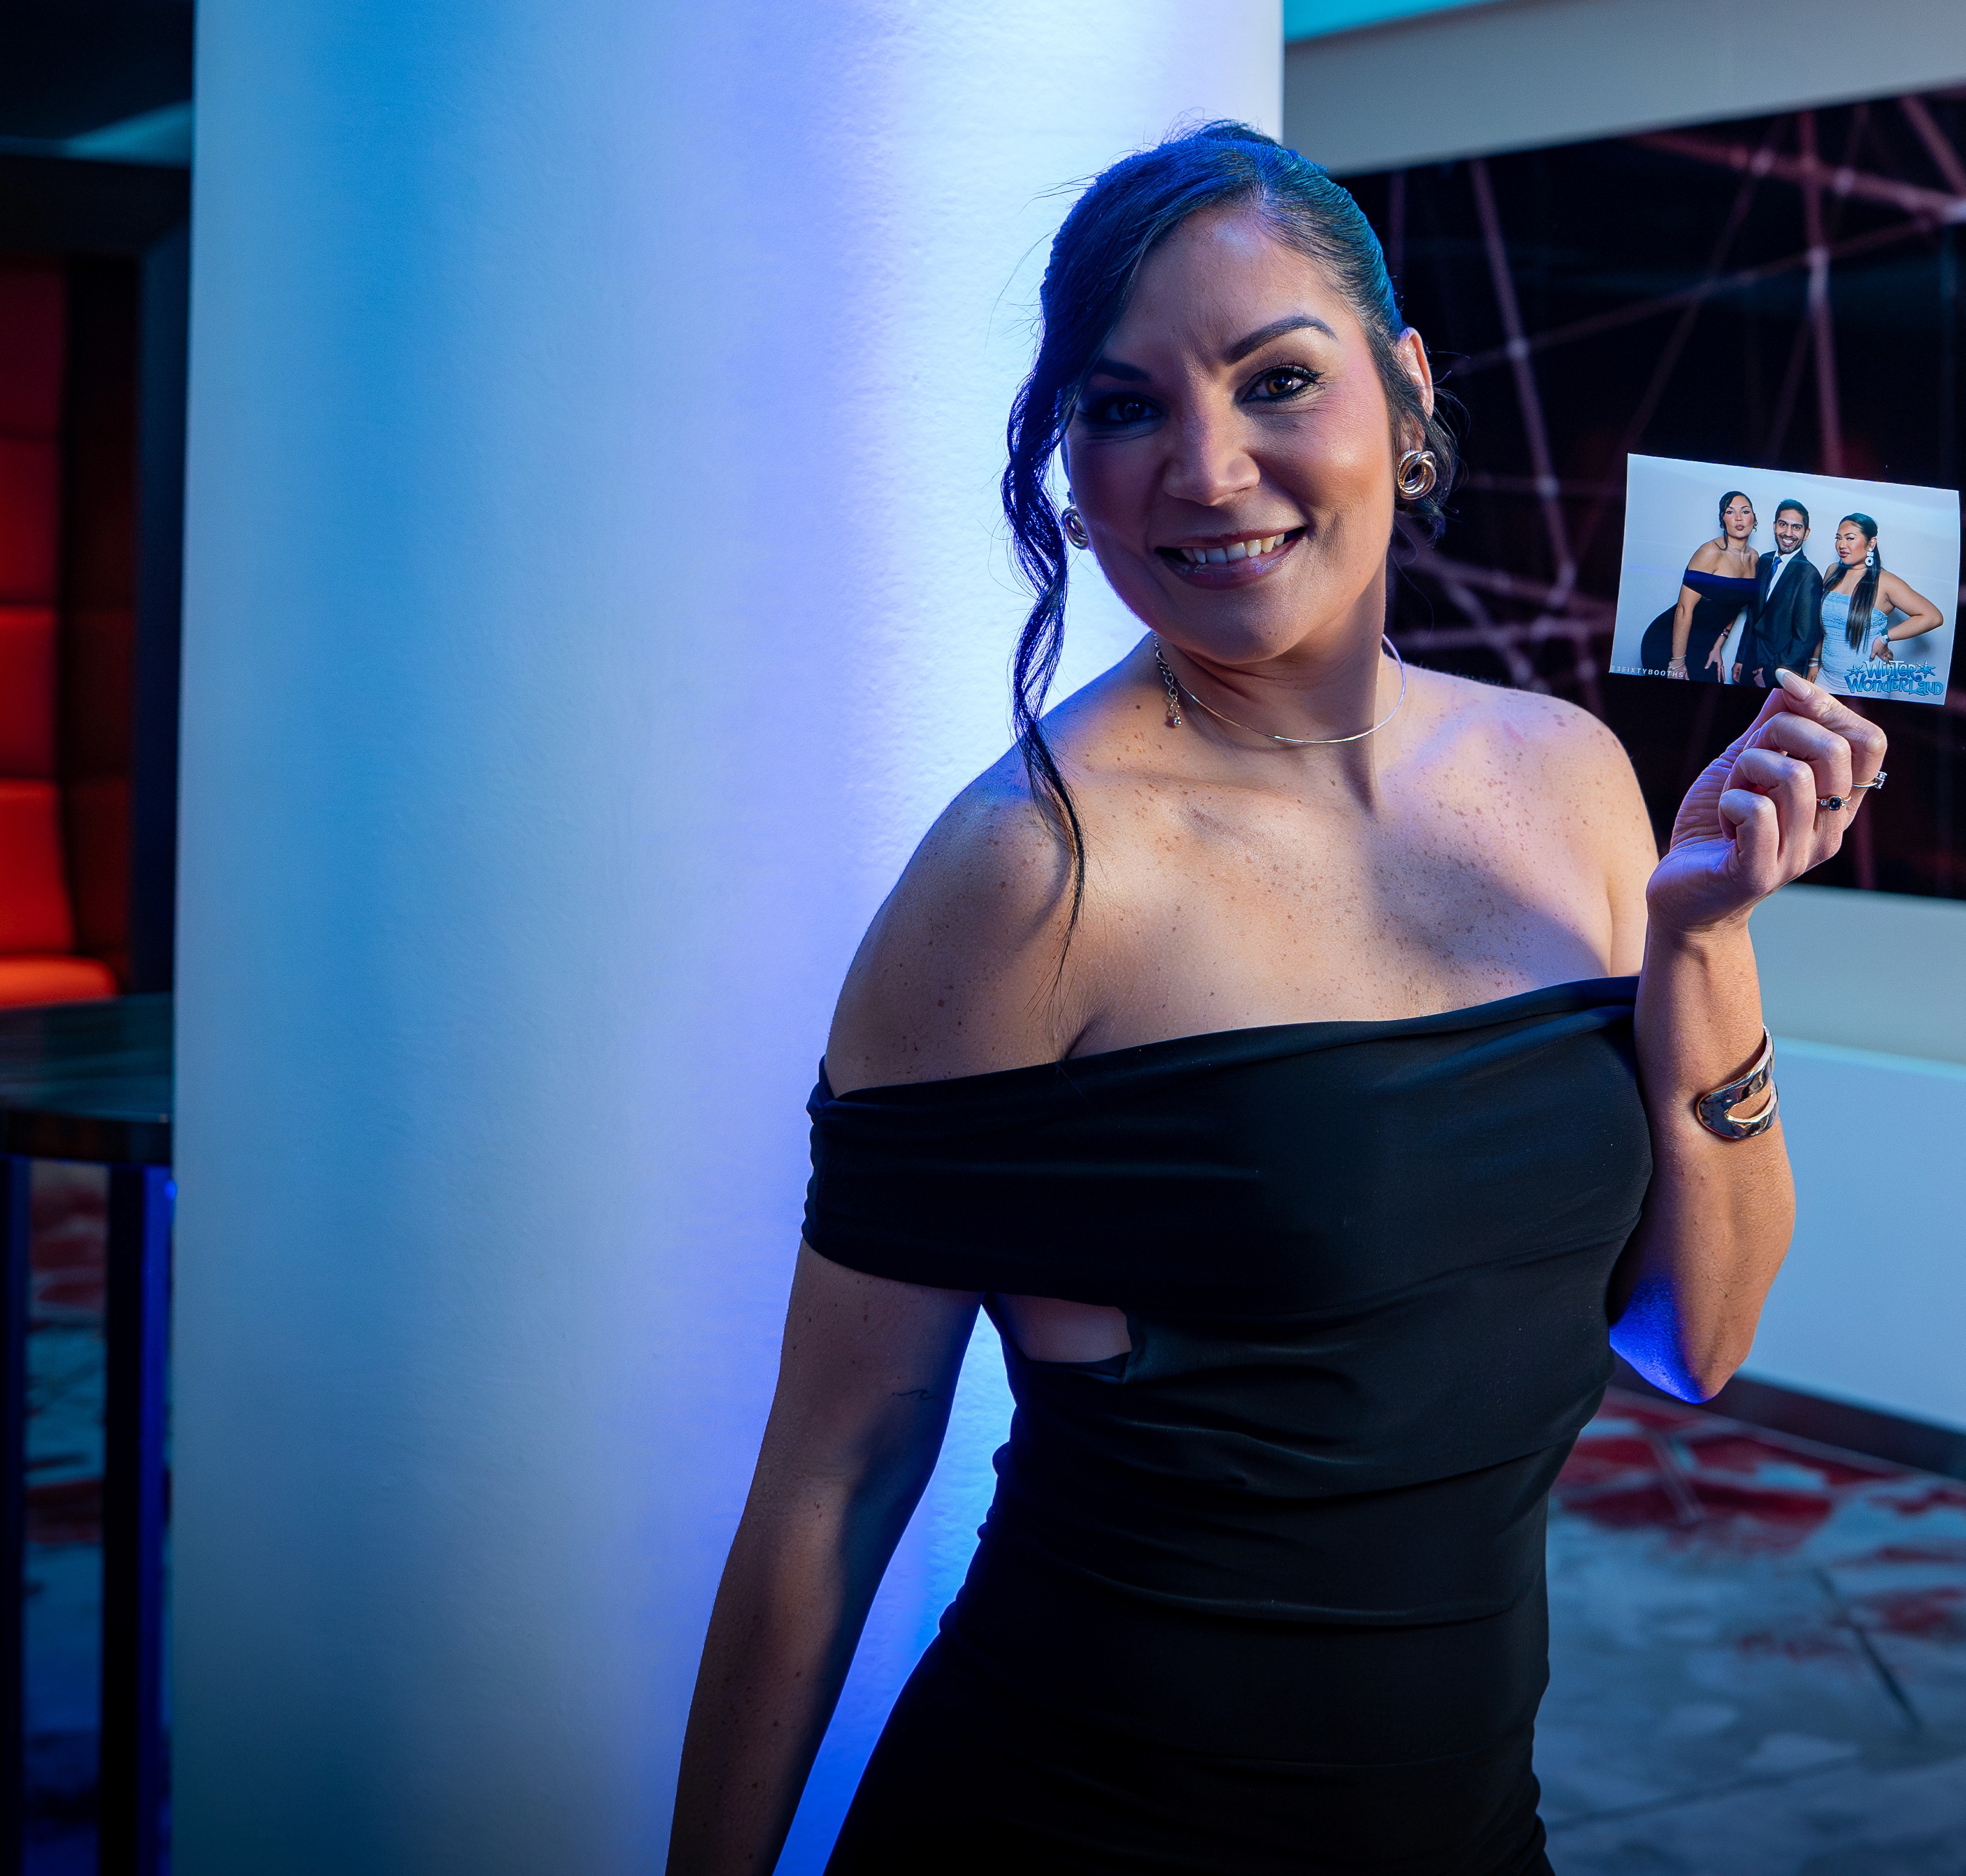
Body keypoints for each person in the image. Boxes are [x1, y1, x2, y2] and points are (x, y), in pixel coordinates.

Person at [671, 122, 1888, 1875]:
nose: (1208, 468)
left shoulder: (1571, 778)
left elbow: (1693, 1338)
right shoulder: (1028, 878)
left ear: (1406, 394)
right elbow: (833, 1474)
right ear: (1070, 466)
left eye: (1276, 379)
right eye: (1125, 406)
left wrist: (1702, 939)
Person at [1810, 512, 1946, 696]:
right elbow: (1823, 627)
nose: (1842, 545)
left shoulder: (1886, 582)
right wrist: (1814, 662)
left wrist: (1885, 638)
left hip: (1865, 686)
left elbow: (1933, 617)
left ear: (1871, 543)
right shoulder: (1833, 571)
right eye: (1838, 538)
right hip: (1826, 678)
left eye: (1850, 538)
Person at [1632, 489, 1761, 680]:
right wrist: (1677, 662)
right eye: (1730, 511)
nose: (1739, 518)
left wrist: (1718, 645)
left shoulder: (1755, 558)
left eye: (1745, 511)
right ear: (1723, 520)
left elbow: (1735, 604)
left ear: (1754, 518)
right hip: (1669, 642)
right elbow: (1684, 609)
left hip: (1706, 644)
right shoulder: (1710, 552)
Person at [1738, 498, 1828, 689]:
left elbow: (1805, 639)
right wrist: (1741, 658)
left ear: (1806, 533)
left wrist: (1771, 673)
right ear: (1774, 526)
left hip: (1778, 673)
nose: (1788, 533)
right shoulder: (1764, 561)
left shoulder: (1809, 576)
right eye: (1783, 524)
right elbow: (1753, 615)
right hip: (1749, 662)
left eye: (1796, 527)